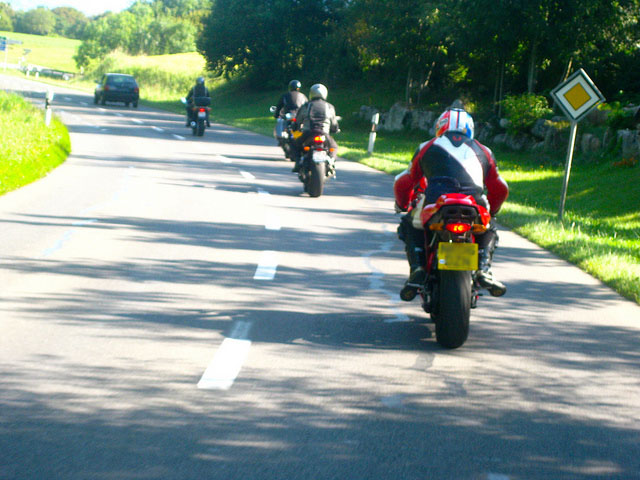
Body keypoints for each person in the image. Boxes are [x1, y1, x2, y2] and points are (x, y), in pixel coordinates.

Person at [394, 105, 509, 300]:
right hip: (474, 204)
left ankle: (418, 268)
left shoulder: (427, 147)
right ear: (470, 129)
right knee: (489, 227)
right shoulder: (484, 150)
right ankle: (483, 268)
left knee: (409, 223)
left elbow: (404, 181)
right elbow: (500, 187)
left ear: (440, 127)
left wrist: (403, 204)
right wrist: (494, 209)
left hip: (437, 203)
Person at [291, 83, 340, 172]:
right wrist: (335, 129)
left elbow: (298, 120)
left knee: (295, 144)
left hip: (308, 133)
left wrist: (295, 127)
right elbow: (334, 123)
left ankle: (298, 163)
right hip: (324, 133)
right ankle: (332, 162)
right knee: (334, 147)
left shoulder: (306, 106)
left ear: (311, 93)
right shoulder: (329, 106)